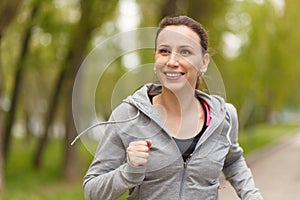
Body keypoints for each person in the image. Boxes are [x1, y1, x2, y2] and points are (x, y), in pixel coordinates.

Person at [83, 16, 263, 200]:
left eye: (185, 51)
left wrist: (252, 196)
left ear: (204, 62)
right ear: (155, 59)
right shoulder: (128, 116)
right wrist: (128, 172)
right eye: (164, 51)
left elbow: (233, 161)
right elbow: (92, 192)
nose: (172, 61)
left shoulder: (224, 116)